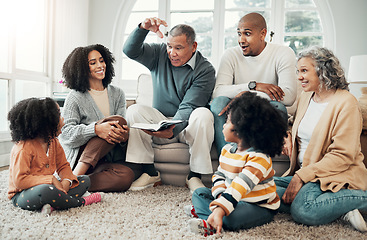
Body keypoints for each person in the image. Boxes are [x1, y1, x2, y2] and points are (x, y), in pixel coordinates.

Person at [274, 46, 367, 232]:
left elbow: (343, 155)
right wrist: (288, 135)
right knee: (261, 188)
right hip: (307, 175)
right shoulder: (306, 96)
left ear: (323, 71)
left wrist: (302, 176)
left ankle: (354, 202)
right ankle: (331, 207)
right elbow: (295, 124)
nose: (299, 77)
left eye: (304, 71)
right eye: (298, 71)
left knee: (303, 210)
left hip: (335, 176)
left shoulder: (346, 103)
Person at [123, 17, 216, 192]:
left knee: (203, 114)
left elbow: (190, 105)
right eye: (169, 46)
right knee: (134, 110)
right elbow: (130, 51)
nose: (172, 52)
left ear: (193, 46)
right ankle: (149, 172)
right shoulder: (159, 54)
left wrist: (173, 128)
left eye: (178, 48)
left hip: (188, 126)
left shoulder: (205, 69)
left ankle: (194, 176)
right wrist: (142, 28)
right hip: (161, 122)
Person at [186, 92, 287, 236]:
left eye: (227, 122)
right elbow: (219, 175)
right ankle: (214, 214)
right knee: (199, 193)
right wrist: (221, 196)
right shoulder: (227, 150)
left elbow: (240, 186)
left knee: (230, 220)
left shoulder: (259, 158)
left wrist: (222, 208)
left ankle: (209, 217)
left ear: (240, 131)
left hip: (258, 206)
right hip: (231, 197)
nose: (223, 126)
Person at [211, 12, 297, 154]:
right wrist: (253, 85)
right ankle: (227, 160)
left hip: (264, 110)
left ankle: (255, 162)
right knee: (218, 103)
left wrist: (247, 96)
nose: (241, 40)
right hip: (236, 112)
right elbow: (218, 92)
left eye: (247, 34)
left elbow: (289, 96)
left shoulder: (283, 53)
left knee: (279, 108)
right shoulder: (230, 54)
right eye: (239, 34)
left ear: (262, 34)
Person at [59, 44, 135, 192]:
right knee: (115, 122)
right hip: (79, 158)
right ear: (81, 68)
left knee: (127, 176)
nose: (100, 65)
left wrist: (124, 136)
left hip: (103, 160)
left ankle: (74, 184)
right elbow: (66, 133)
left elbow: (120, 130)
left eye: (101, 60)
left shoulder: (118, 93)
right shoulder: (74, 97)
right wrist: (95, 129)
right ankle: (74, 176)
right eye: (93, 63)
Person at [7, 97, 101, 215]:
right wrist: (50, 180)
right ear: (45, 124)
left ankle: (54, 204)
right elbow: (20, 181)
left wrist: (66, 183)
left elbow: (63, 166)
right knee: (45, 191)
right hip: (23, 193)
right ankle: (80, 202)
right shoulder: (23, 149)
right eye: (59, 116)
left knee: (84, 180)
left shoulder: (53, 141)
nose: (63, 121)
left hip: (51, 187)